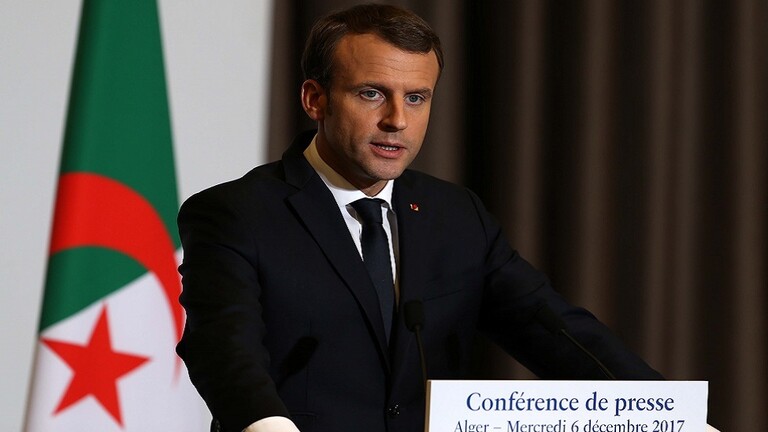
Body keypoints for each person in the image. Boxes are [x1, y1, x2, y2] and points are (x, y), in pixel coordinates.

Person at [175, 4, 662, 432]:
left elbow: (554, 329)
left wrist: (665, 413)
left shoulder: (455, 216)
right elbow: (223, 349)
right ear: (315, 99)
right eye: (372, 94)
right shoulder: (237, 214)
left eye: (416, 97)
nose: (398, 120)